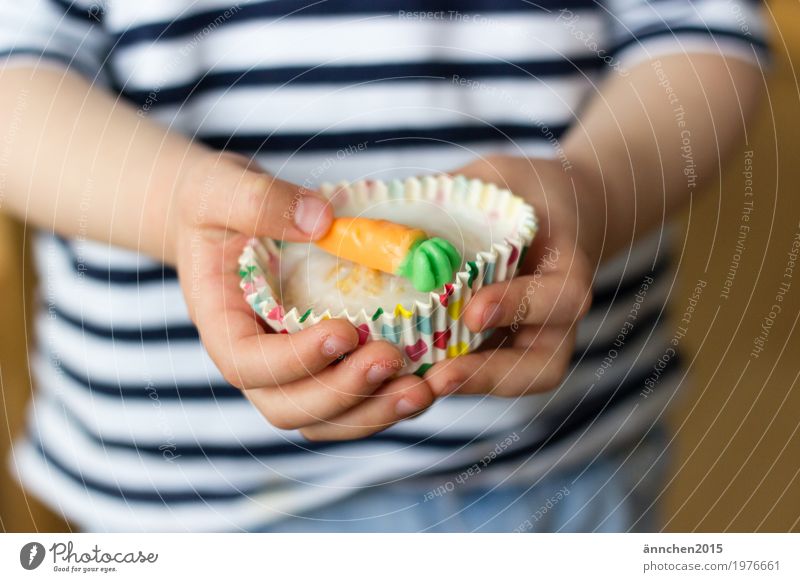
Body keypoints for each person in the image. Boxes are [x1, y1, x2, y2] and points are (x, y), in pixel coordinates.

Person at [0, 0, 766, 532]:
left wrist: (595, 187)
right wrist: (174, 203)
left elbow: (699, 35)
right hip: (181, 493)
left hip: (559, 463)